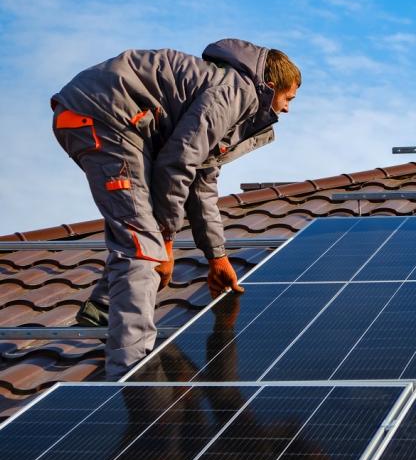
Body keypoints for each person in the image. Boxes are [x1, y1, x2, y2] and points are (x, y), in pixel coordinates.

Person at [51, 39, 300, 378]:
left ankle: (105, 305)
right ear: (270, 88)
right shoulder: (234, 92)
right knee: (144, 247)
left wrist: (217, 257)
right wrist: (167, 241)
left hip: (111, 118)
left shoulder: (229, 98)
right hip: (107, 116)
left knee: (136, 221)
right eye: (289, 98)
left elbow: (201, 182)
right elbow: (177, 163)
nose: (287, 110)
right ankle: (134, 375)